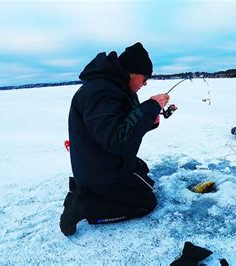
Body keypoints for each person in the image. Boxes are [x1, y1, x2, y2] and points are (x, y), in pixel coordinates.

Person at [60, 42, 170, 236]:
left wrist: (150, 119)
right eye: (145, 78)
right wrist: (150, 106)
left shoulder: (117, 89)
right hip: (96, 168)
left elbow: (126, 124)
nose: (145, 84)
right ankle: (84, 205)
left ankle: (86, 191)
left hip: (101, 160)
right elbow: (116, 140)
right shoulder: (100, 92)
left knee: (141, 171)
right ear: (132, 72)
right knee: (145, 203)